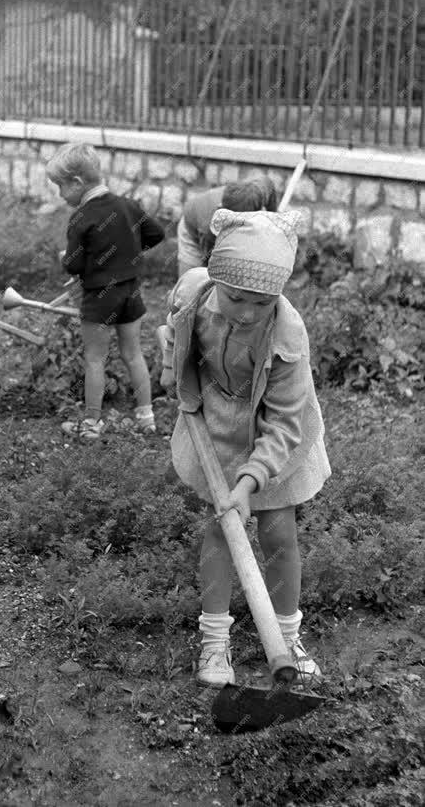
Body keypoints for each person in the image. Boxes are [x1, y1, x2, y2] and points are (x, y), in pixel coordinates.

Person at [160, 208, 330, 687]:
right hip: (218, 420)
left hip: (279, 434)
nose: (248, 312)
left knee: (278, 534)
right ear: (217, 281)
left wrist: (251, 482)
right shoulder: (195, 289)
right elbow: (177, 328)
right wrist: (170, 353)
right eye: (237, 298)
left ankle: (287, 638)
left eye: (262, 302)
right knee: (221, 532)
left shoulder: (286, 335)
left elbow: (283, 426)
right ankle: (215, 642)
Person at [46, 142, 165, 440]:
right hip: (131, 293)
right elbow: (156, 233)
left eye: (60, 187)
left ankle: (90, 425)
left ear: (76, 183)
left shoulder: (82, 217)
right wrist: (129, 254)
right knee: (133, 354)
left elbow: (73, 265)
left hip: (100, 297)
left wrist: (65, 258)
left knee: (95, 358)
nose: (60, 195)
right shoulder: (127, 205)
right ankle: (146, 418)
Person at [177, 176, 277, 277]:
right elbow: (209, 260)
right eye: (234, 222)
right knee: (192, 280)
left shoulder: (261, 187)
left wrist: (270, 219)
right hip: (192, 228)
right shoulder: (209, 225)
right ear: (221, 208)